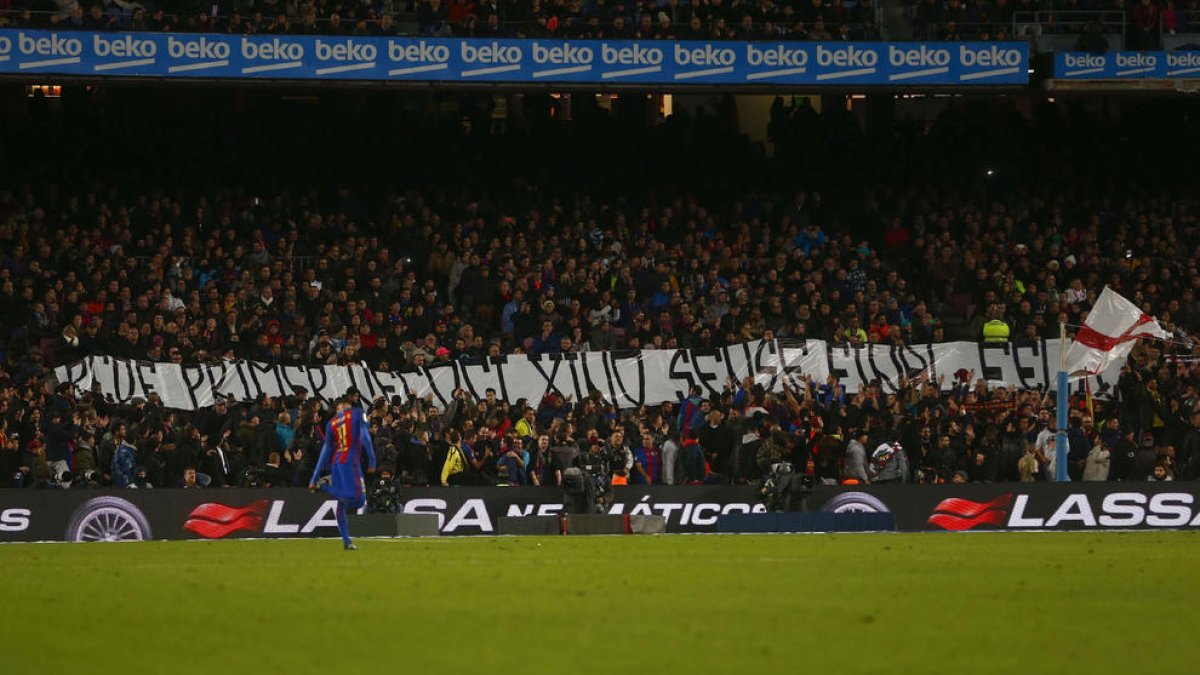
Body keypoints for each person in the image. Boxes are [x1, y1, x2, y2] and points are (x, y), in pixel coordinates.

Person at [310, 398, 378, 550]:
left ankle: (347, 541)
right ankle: (325, 486)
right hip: (350, 462)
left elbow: (326, 450)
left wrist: (315, 474)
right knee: (358, 500)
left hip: (338, 463)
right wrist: (372, 459)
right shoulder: (357, 414)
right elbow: (365, 436)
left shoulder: (332, 423)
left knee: (343, 503)